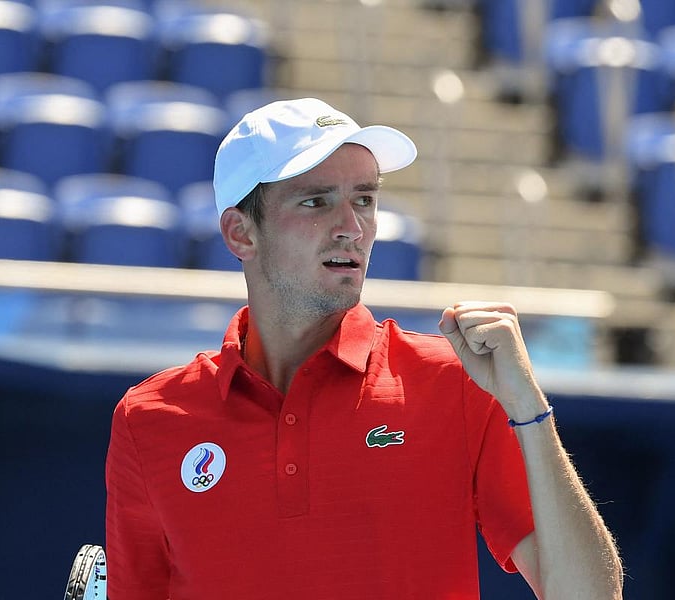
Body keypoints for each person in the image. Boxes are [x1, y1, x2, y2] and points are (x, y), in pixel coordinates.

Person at [105, 97, 622, 599]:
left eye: (365, 200)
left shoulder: (460, 382)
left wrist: (530, 409)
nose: (352, 229)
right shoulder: (146, 420)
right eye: (316, 201)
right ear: (240, 234)